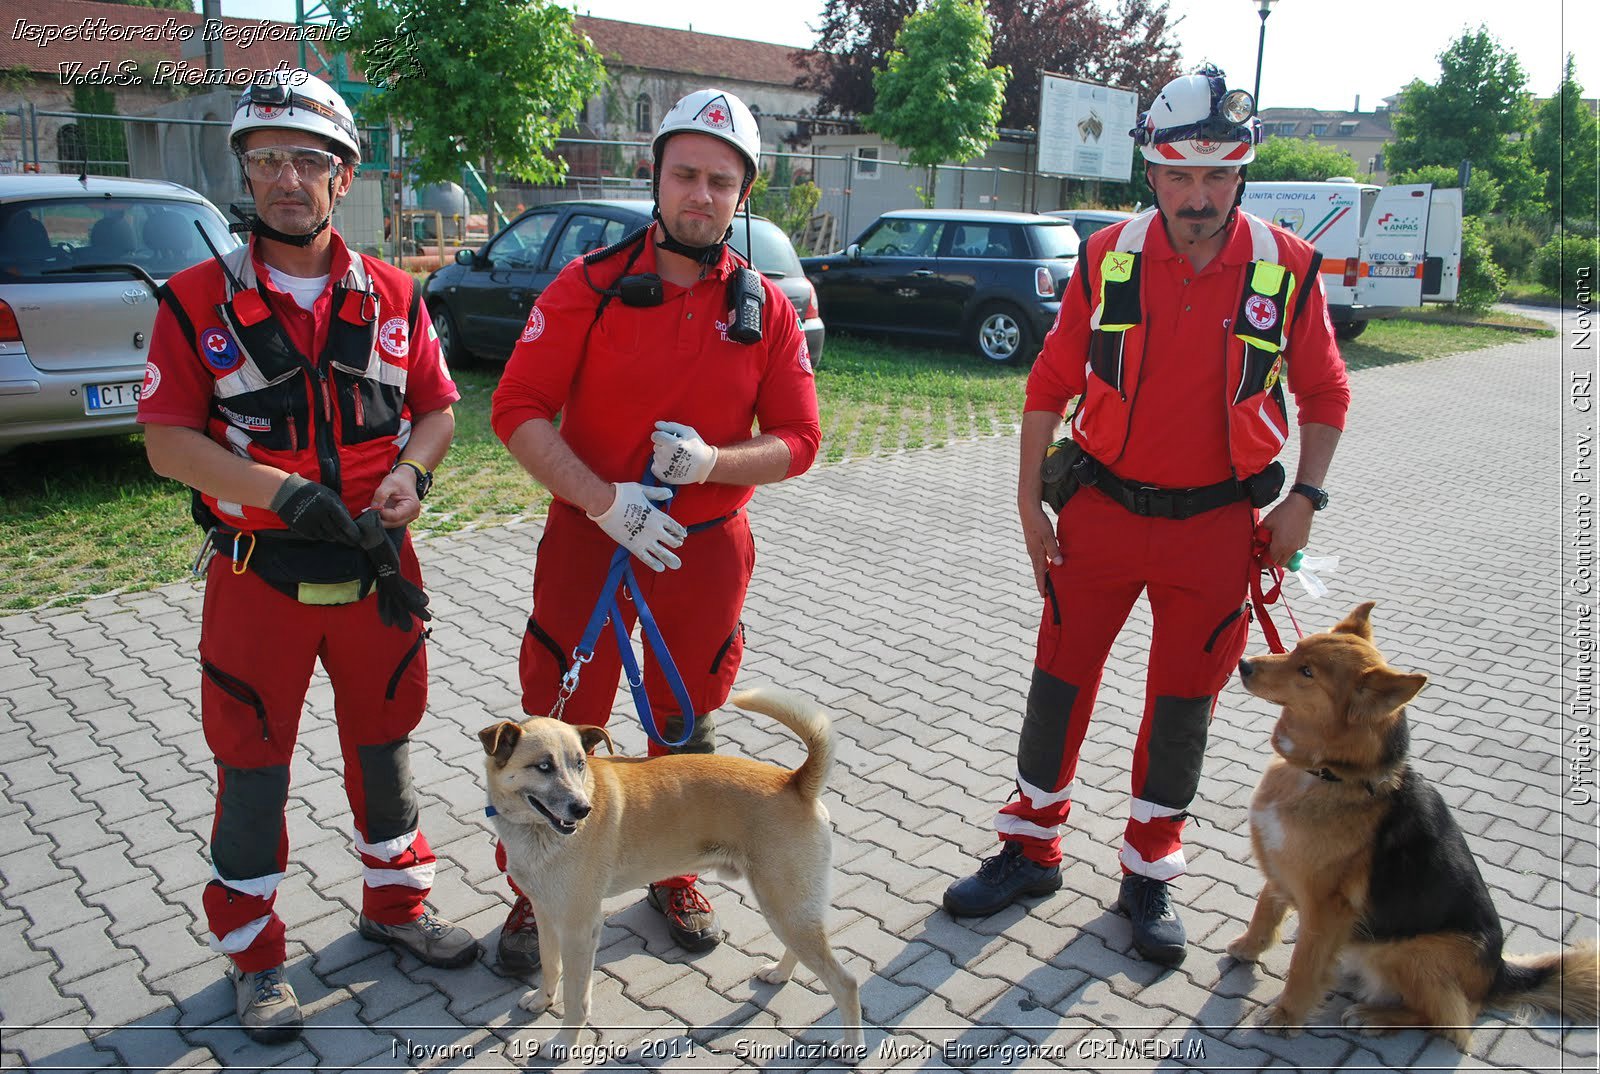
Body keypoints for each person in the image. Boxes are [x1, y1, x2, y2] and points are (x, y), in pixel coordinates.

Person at [942, 65, 1351, 965]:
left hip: (1216, 531)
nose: (1198, 197)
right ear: (1152, 173)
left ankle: (1149, 868)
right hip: (1100, 513)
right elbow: (1051, 379)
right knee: (1058, 685)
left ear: (1241, 172)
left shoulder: (1288, 266)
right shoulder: (1108, 254)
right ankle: (1029, 848)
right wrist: (1025, 497)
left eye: (1217, 176)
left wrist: (1306, 498)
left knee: (1181, 710)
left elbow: (1325, 389)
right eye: (1179, 176)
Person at [138, 69, 476, 1043]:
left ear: (343, 176)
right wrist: (284, 494)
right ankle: (254, 959)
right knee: (253, 764)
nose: (288, 178)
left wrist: (413, 471)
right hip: (260, 581)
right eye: (268, 159)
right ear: (245, 171)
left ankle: (398, 908)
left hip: (378, 571)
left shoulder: (398, 294)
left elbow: (439, 409)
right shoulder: (196, 299)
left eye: (309, 160)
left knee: (386, 741)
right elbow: (167, 440)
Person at [489, 87, 820, 971]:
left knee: (681, 720)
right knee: (565, 721)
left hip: (701, 550)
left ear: (744, 193)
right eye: (686, 175)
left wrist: (714, 462)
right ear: (657, 175)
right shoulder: (589, 284)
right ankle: (534, 894)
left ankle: (677, 867)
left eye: (721, 181)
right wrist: (604, 501)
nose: (701, 196)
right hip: (589, 536)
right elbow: (516, 407)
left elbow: (801, 442)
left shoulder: (768, 310)